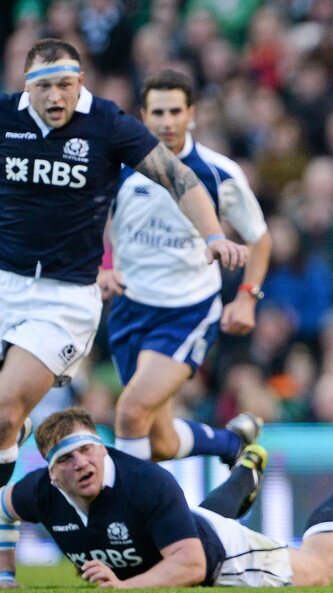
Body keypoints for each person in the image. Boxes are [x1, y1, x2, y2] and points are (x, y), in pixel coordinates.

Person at [0, 39, 247, 504]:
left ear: (80, 82)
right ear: (25, 86)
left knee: (3, 414)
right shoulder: (2, 115)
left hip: (62, 298)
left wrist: (212, 235)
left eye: (65, 84)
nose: (55, 97)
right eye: (44, 86)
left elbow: (177, 177)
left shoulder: (106, 123)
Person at [0, 408, 333, 588]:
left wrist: (123, 586)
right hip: (175, 533)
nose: (81, 463)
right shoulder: (39, 493)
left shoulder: (146, 481)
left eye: (88, 449)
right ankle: (245, 470)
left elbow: (192, 565)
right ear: (49, 471)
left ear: (102, 448)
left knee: (317, 570)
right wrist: (4, 580)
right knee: (188, 520)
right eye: (66, 459)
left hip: (216, 555)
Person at [100, 69, 273, 465]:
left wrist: (247, 298)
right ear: (142, 116)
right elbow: (93, 225)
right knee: (157, 439)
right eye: (158, 112)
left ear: (192, 113)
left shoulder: (219, 173)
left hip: (187, 311)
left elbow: (260, 238)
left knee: (129, 413)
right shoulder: (119, 169)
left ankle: (135, 521)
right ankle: (231, 444)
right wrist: (102, 267)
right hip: (129, 308)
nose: (167, 122)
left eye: (176, 111)